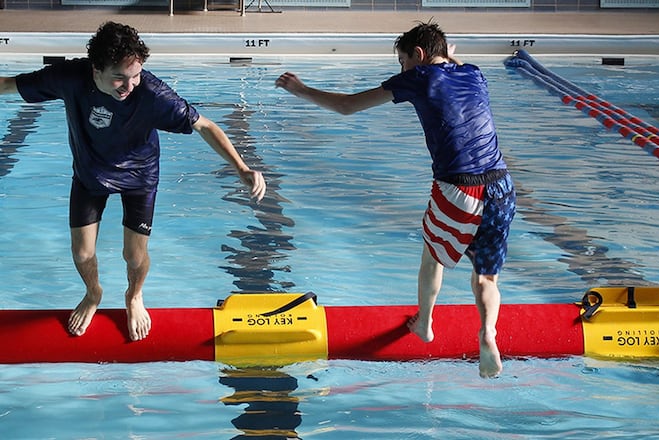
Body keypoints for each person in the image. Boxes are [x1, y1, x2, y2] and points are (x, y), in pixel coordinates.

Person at [275, 21, 516, 378]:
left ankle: (425, 323)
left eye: (402, 61)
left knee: (432, 256)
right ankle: (489, 334)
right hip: (501, 186)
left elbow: (347, 106)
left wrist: (301, 89)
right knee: (486, 279)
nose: (400, 70)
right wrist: (445, 50)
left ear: (418, 57)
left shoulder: (418, 78)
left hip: (460, 189)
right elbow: (451, 57)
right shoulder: (474, 74)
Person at [0, 22, 266, 342]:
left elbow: (204, 125)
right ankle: (93, 293)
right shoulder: (69, 78)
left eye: (136, 74)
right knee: (83, 253)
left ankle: (134, 296)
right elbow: (7, 85)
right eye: (119, 76)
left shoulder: (152, 95)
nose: (130, 85)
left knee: (134, 256)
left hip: (139, 176)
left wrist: (241, 167)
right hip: (91, 173)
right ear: (95, 69)